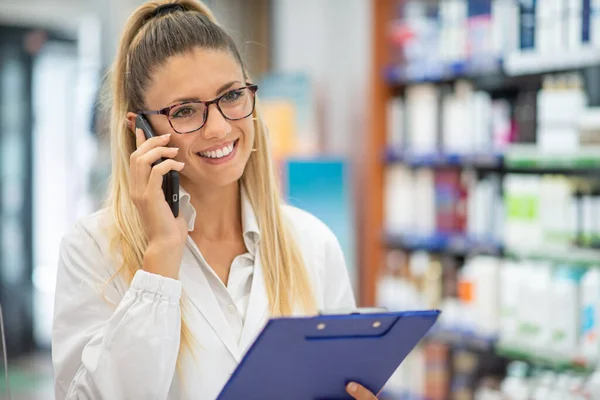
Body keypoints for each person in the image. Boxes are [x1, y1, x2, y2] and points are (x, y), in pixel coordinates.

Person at [51, 1, 379, 399]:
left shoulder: (312, 243)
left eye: (231, 95)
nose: (220, 128)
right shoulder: (93, 250)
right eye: (185, 111)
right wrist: (161, 259)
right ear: (141, 128)